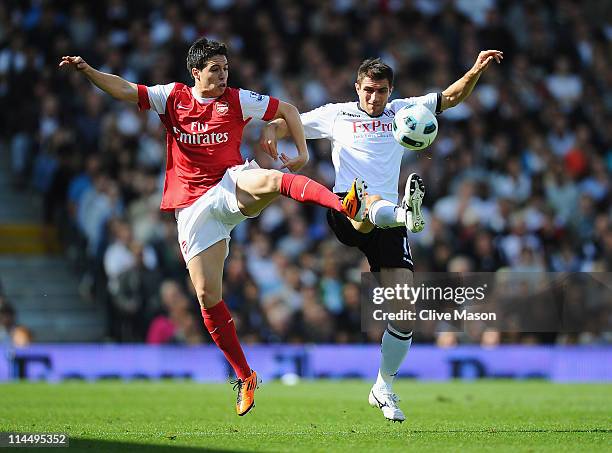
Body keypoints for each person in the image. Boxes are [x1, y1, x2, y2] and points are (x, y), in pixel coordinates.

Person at [59, 37, 365, 416]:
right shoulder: (171, 97)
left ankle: (344, 204)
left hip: (228, 183)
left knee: (270, 179)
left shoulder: (236, 99)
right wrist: (88, 71)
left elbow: (286, 108)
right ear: (195, 73)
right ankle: (245, 375)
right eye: (215, 70)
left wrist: (299, 151)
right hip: (191, 208)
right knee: (207, 297)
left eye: (225, 68)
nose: (223, 75)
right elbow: (125, 89)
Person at [261, 50, 503, 422]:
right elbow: (285, 123)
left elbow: (450, 97)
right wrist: (272, 134)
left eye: (382, 91)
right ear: (357, 87)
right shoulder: (336, 114)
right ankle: (405, 212)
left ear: (391, 91)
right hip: (347, 206)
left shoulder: (403, 111)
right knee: (367, 200)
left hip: (388, 222)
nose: (375, 98)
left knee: (404, 311)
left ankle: (383, 385)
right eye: (369, 90)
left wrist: (473, 70)